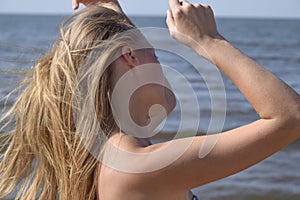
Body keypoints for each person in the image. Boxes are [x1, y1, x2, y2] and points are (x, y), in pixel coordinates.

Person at [0, 0, 299, 199]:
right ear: (129, 57)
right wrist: (209, 40)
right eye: (154, 53)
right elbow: (289, 118)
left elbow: (123, 47)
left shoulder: (113, 156)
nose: (164, 66)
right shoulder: (138, 167)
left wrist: (111, 8)